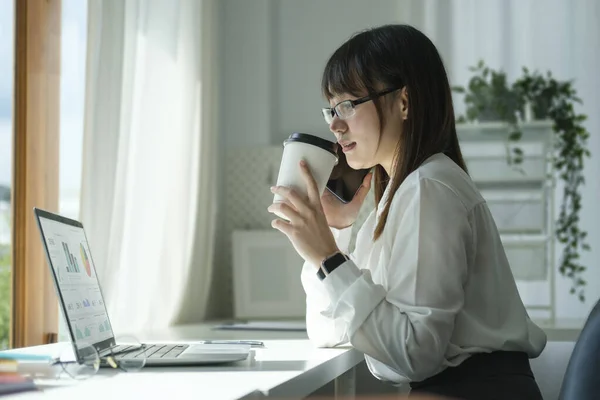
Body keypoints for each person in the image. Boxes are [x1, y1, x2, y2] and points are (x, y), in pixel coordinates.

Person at [267, 24, 547, 400]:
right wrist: (335, 233)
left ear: (403, 102)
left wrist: (327, 257)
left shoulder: (429, 187)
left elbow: (416, 354)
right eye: (330, 109)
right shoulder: (399, 199)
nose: (335, 124)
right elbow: (326, 332)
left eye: (348, 104)